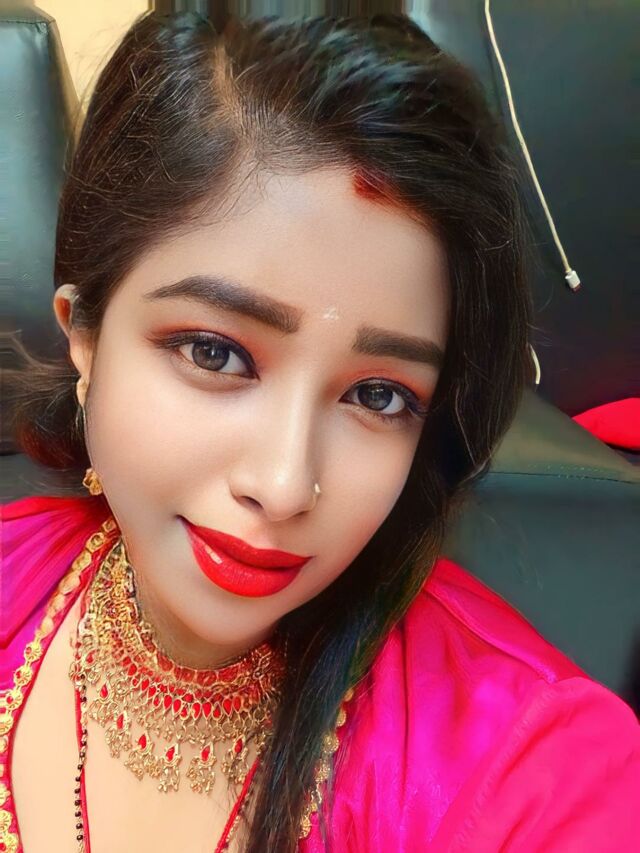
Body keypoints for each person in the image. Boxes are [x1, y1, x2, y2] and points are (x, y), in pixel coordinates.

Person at [1, 10, 638, 853]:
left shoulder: (530, 767)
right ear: (84, 335)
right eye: (215, 352)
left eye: (378, 395)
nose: (283, 484)